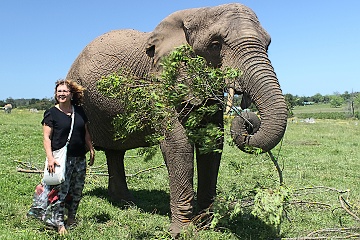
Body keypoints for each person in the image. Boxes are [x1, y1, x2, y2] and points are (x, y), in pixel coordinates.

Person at [28, 79, 95, 235]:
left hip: (79, 158)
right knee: (60, 192)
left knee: (77, 190)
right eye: (59, 91)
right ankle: (59, 224)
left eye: (65, 91)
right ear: (56, 94)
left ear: (71, 94)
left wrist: (91, 148)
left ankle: (71, 218)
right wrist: (50, 158)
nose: (62, 94)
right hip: (60, 159)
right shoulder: (51, 113)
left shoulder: (79, 111)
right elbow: (47, 138)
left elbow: (85, 132)